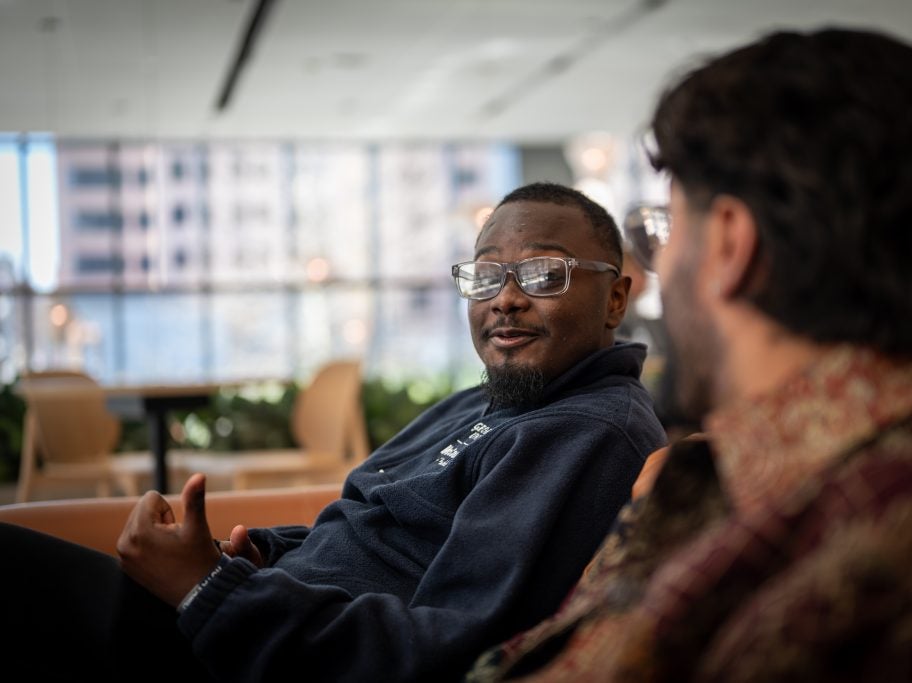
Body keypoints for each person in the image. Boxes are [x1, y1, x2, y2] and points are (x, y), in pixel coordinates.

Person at [467, 29, 912, 681]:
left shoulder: (902, 529)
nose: (661, 266)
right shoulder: (741, 473)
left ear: (729, 243)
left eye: (666, 229)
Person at [1, 182, 667, 682]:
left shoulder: (588, 432)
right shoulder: (491, 400)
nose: (505, 297)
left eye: (543, 273)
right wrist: (258, 555)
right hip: (257, 618)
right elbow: (369, 525)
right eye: (486, 273)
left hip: (246, 652)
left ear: (616, 298)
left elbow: (452, 649)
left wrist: (210, 591)